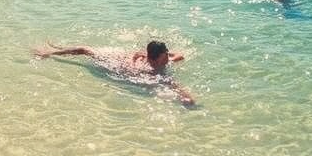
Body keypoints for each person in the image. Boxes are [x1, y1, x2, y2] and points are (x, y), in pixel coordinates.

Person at [35, 40, 195, 105]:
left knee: (86, 50)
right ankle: (49, 53)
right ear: (155, 59)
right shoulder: (149, 70)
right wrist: (186, 97)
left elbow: (179, 55)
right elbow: (171, 83)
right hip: (113, 64)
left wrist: (169, 56)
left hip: (132, 58)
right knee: (85, 50)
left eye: (167, 54)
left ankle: (54, 50)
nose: (168, 57)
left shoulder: (160, 60)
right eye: (165, 56)